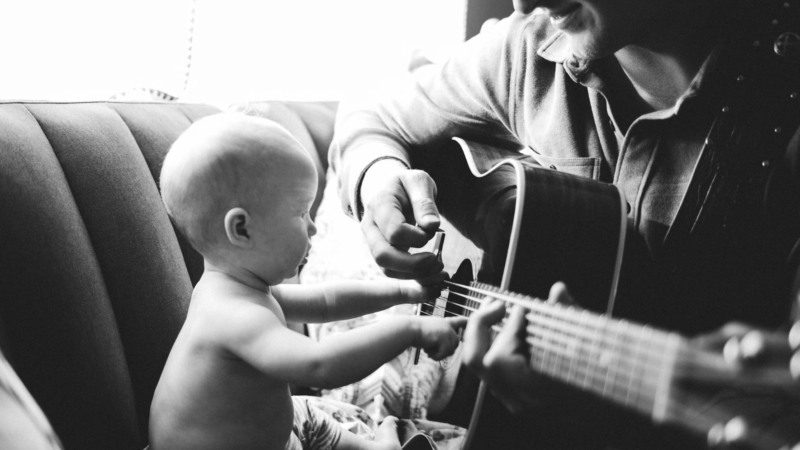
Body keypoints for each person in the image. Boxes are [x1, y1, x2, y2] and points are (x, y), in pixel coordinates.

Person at [331, 0, 800, 447]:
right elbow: (372, 116)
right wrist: (378, 178)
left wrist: (577, 424)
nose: (521, 4)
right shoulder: (530, 48)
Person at [150, 113, 466, 450]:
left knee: (308, 417)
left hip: (273, 430)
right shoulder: (233, 316)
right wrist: (412, 331)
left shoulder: (238, 289)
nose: (313, 227)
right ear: (242, 230)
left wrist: (405, 293)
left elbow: (326, 301)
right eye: (302, 214)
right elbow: (320, 364)